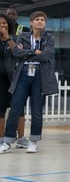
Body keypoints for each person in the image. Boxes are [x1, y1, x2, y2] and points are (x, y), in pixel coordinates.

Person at [0, 11, 59, 154]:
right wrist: (34, 52)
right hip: (23, 73)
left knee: (37, 110)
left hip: (40, 75)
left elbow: (45, 56)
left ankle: (33, 141)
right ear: (31, 23)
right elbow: (16, 53)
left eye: (42, 20)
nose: (40, 22)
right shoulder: (23, 36)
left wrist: (27, 52)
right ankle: (7, 141)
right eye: (37, 19)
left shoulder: (49, 38)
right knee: (15, 107)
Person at [4, 8, 27, 147]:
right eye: (8, 14)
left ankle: (21, 138)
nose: (11, 16)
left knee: (19, 108)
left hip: (17, 74)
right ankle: (3, 138)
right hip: (3, 74)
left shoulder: (23, 29)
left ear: (17, 16)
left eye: (13, 14)